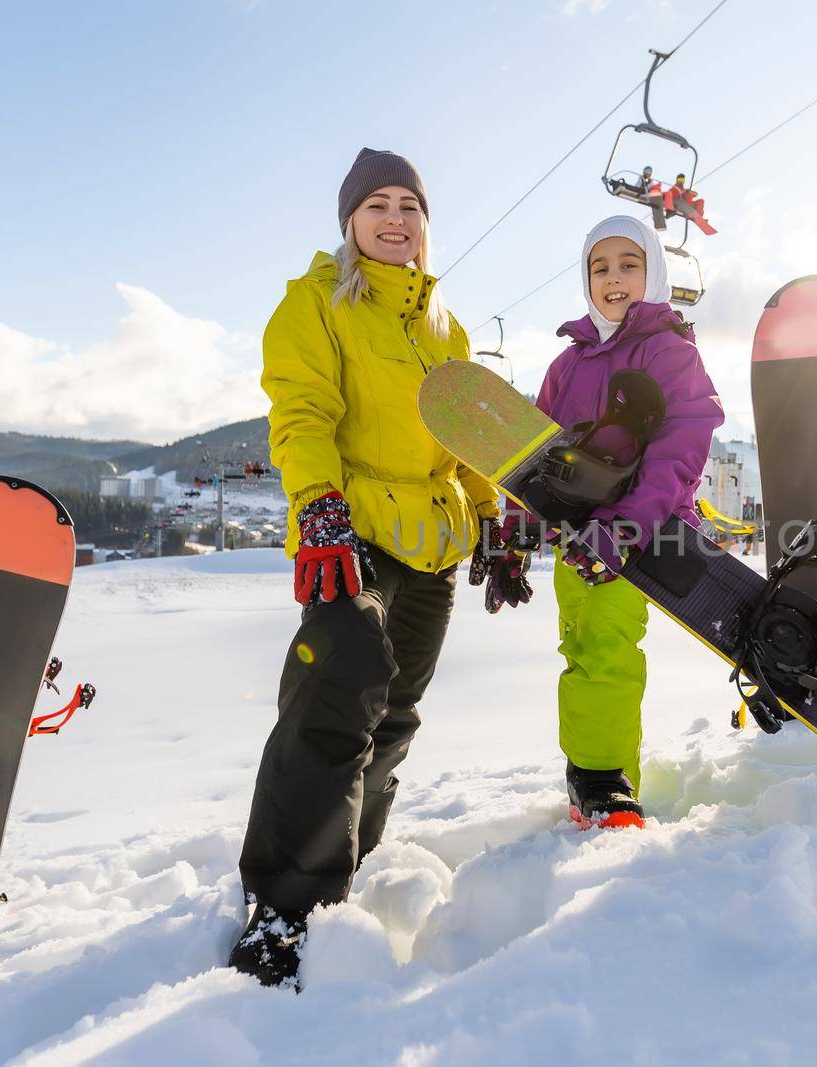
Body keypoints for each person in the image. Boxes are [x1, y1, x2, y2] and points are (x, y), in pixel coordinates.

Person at [228, 149, 501, 989]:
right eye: (376, 204)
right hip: (350, 531)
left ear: (425, 225)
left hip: (432, 542)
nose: (394, 219)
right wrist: (318, 502)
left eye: (409, 206)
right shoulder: (315, 303)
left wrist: (495, 517)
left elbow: (469, 435)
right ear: (350, 221)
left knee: (395, 715)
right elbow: (303, 410)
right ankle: (284, 903)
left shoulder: (445, 328)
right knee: (336, 683)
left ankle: (347, 855)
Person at [473, 214, 723, 830]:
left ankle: (602, 779)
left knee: (607, 646)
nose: (614, 279)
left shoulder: (670, 352)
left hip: (642, 536)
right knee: (579, 645)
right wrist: (513, 539)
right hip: (576, 539)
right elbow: (533, 459)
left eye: (628, 265)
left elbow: (682, 446)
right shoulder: (567, 365)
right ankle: (593, 772)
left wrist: (628, 525)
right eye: (600, 267)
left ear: (654, 274)